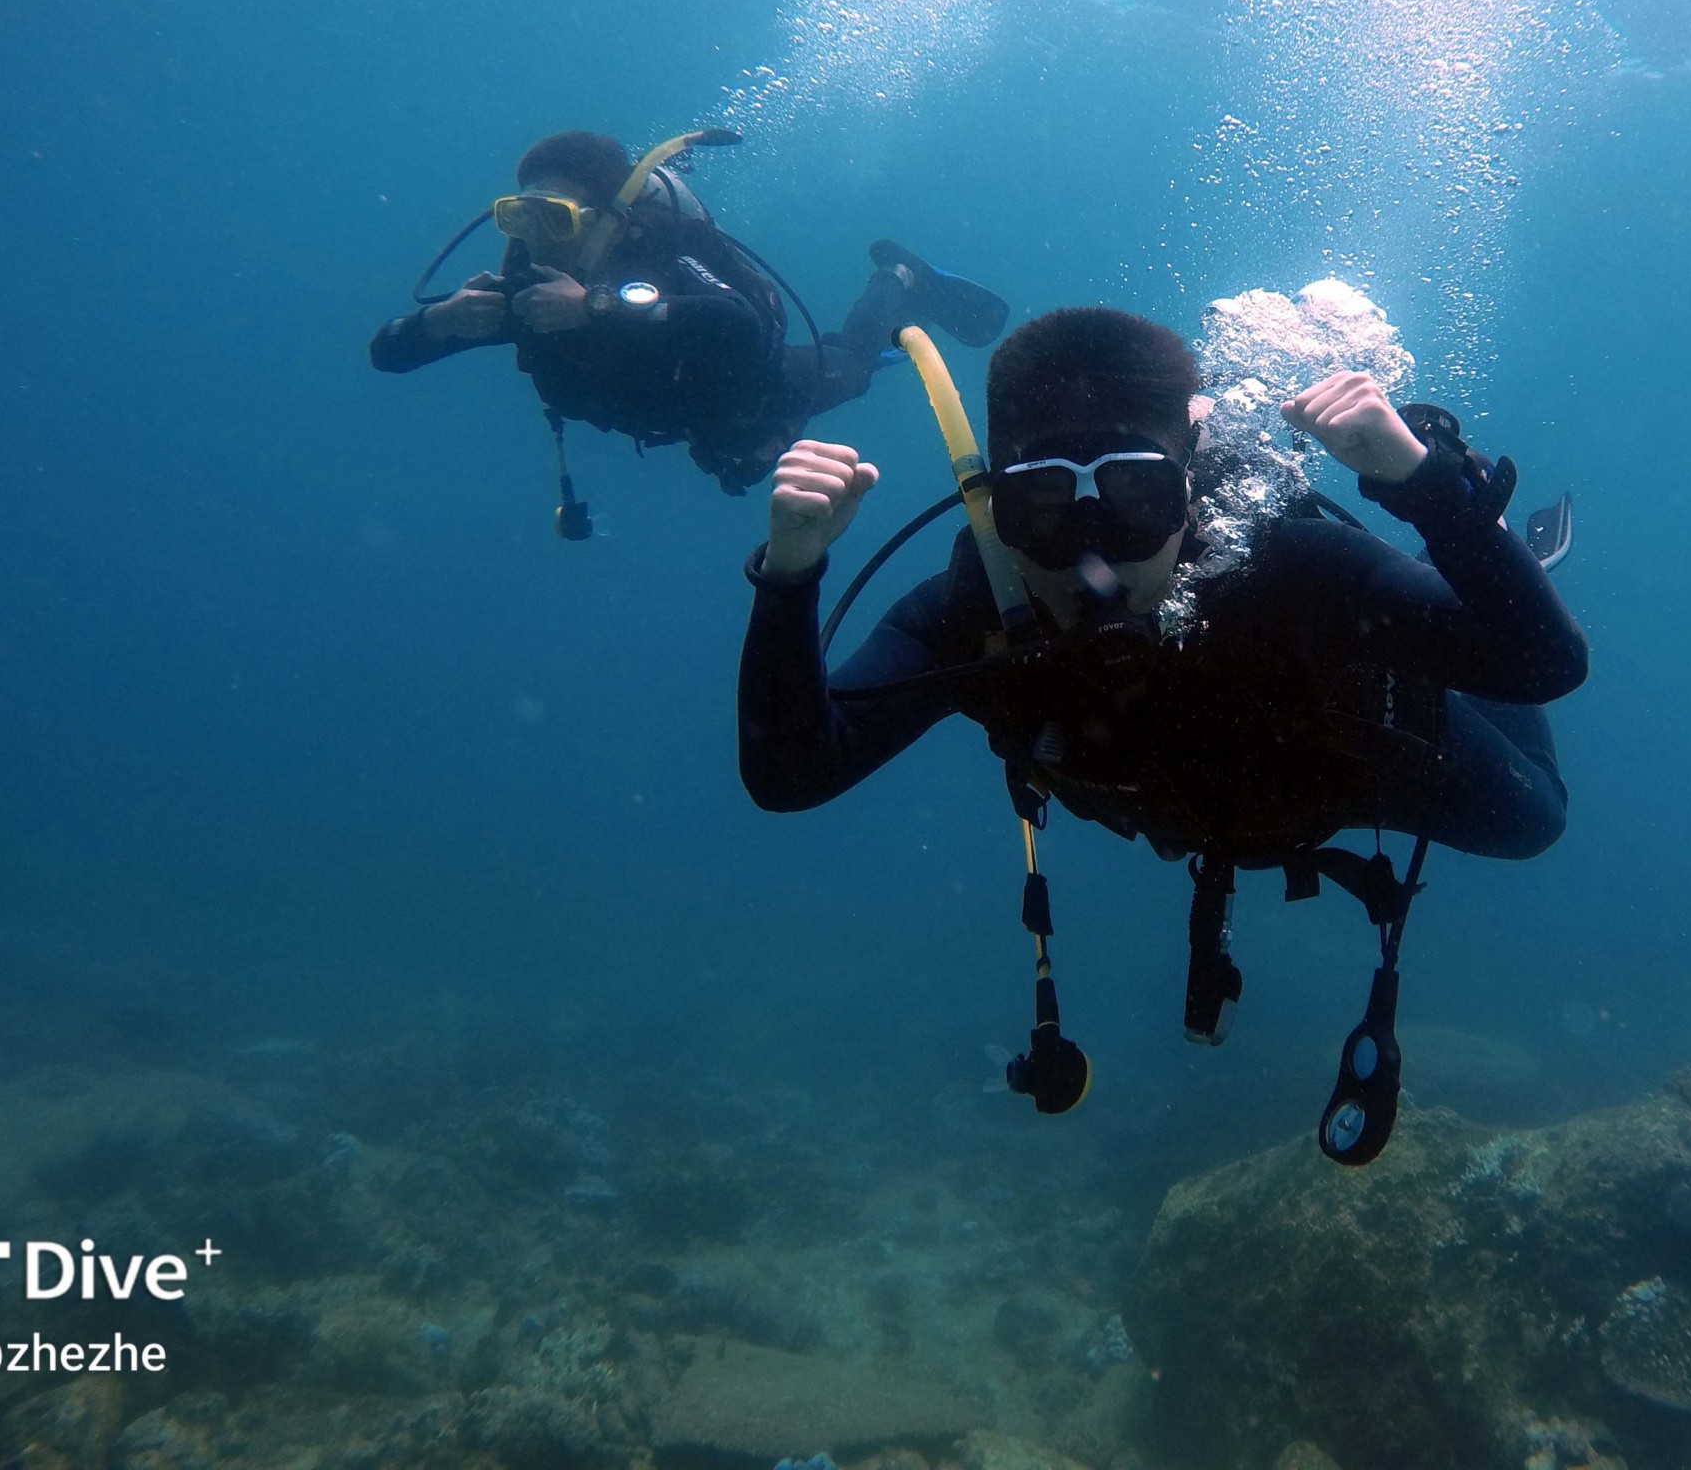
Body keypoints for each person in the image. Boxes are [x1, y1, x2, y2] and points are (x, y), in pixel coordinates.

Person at [735, 305, 1587, 1159]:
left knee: (1537, 819)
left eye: (1137, 498)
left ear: (1187, 477)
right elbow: (793, 773)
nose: (1091, 550)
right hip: (1203, 804)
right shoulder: (976, 614)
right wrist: (791, 572)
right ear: (993, 501)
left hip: (1347, 758)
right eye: (1044, 504)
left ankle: (1476, 568)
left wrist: (1430, 489)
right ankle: (1466, 582)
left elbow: (1544, 666)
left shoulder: (1294, 567)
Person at [369, 129, 1009, 497]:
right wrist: (439, 323)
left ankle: (899, 277)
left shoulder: (665, 255)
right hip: (694, 424)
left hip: (764, 391)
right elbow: (387, 353)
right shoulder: (523, 295)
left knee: (857, 363)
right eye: (520, 215)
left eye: (556, 217)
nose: (536, 236)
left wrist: (595, 307)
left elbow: (741, 325)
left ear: (609, 220)